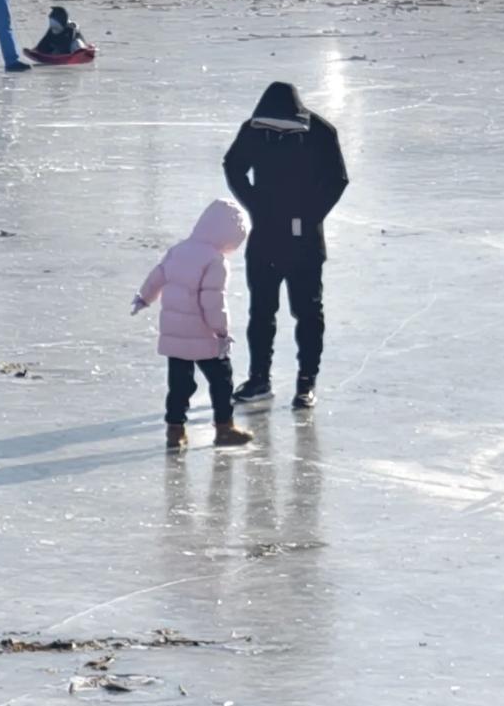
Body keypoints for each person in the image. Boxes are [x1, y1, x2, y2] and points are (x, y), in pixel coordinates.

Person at [222, 79, 348, 411]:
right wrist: (254, 204)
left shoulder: (320, 132)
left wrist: (310, 215)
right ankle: (259, 379)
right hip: (265, 236)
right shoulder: (254, 130)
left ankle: (307, 382)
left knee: (307, 311)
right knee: (261, 311)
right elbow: (233, 166)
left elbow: (337, 179)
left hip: (305, 242)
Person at [132, 196, 252, 450]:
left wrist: (144, 298)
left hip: (174, 334)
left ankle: (175, 430)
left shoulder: (179, 250)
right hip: (203, 336)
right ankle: (224, 428)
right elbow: (213, 302)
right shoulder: (215, 261)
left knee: (179, 384)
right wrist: (221, 332)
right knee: (222, 381)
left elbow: (157, 276)